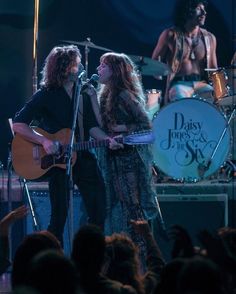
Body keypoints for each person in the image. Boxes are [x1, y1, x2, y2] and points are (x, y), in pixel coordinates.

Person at [12, 45, 106, 244]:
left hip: (83, 156)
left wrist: (107, 140)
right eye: (76, 63)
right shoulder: (47, 93)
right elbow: (19, 124)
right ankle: (53, 263)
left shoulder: (84, 93)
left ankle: (89, 257)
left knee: (98, 210)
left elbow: (91, 127)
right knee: (59, 218)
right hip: (58, 162)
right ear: (64, 68)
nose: (80, 67)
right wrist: (44, 141)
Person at [84, 52, 162, 262]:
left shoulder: (124, 95)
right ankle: (126, 253)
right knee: (118, 204)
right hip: (114, 158)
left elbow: (146, 125)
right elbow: (102, 123)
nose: (98, 69)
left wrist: (122, 127)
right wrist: (92, 97)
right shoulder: (105, 93)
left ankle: (144, 253)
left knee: (132, 205)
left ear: (115, 71)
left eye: (103, 66)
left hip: (130, 160)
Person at [152, 0, 217, 104]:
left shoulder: (210, 38)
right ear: (187, 11)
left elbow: (214, 70)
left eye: (204, 9)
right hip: (179, 84)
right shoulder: (170, 35)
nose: (204, 13)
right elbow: (153, 63)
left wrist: (220, 92)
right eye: (199, 9)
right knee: (181, 100)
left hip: (201, 84)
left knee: (212, 97)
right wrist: (158, 72)